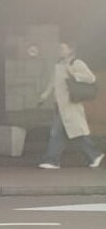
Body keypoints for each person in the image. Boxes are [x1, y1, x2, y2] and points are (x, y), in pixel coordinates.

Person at [36, 41, 102, 169]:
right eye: (59, 48)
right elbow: (53, 82)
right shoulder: (59, 64)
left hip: (71, 104)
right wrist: (44, 96)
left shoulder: (76, 63)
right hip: (60, 105)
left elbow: (91, 78)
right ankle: (94, 155)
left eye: (62, 48)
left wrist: (73, 74)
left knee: (64, 133)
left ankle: (52, 160)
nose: (60, 51)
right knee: (69, 133)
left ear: (71, 50)